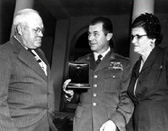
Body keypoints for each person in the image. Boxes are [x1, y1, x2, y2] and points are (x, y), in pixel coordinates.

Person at [63, 16, 134, 131]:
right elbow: (77, 96)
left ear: (108, 36)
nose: (90, 38)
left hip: (109, 125)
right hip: (83, 125)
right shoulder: (80, 62)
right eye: (89, 34)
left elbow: (127, 99)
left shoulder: (124, 64)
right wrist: (69, 94)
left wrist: (115, 122)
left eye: (96, 34)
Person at [0, 8, 57, 131]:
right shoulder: (4, 53)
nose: (41, 34)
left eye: (42, 30)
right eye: (36, 30)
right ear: (20, 29)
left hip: (44, 125)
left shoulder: (40, 53)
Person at [127, 13, 168, 131]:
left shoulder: (165, 57)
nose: (133, 41)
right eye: (132, 36)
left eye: (138, 36)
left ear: (152, 38)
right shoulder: (137, 66)